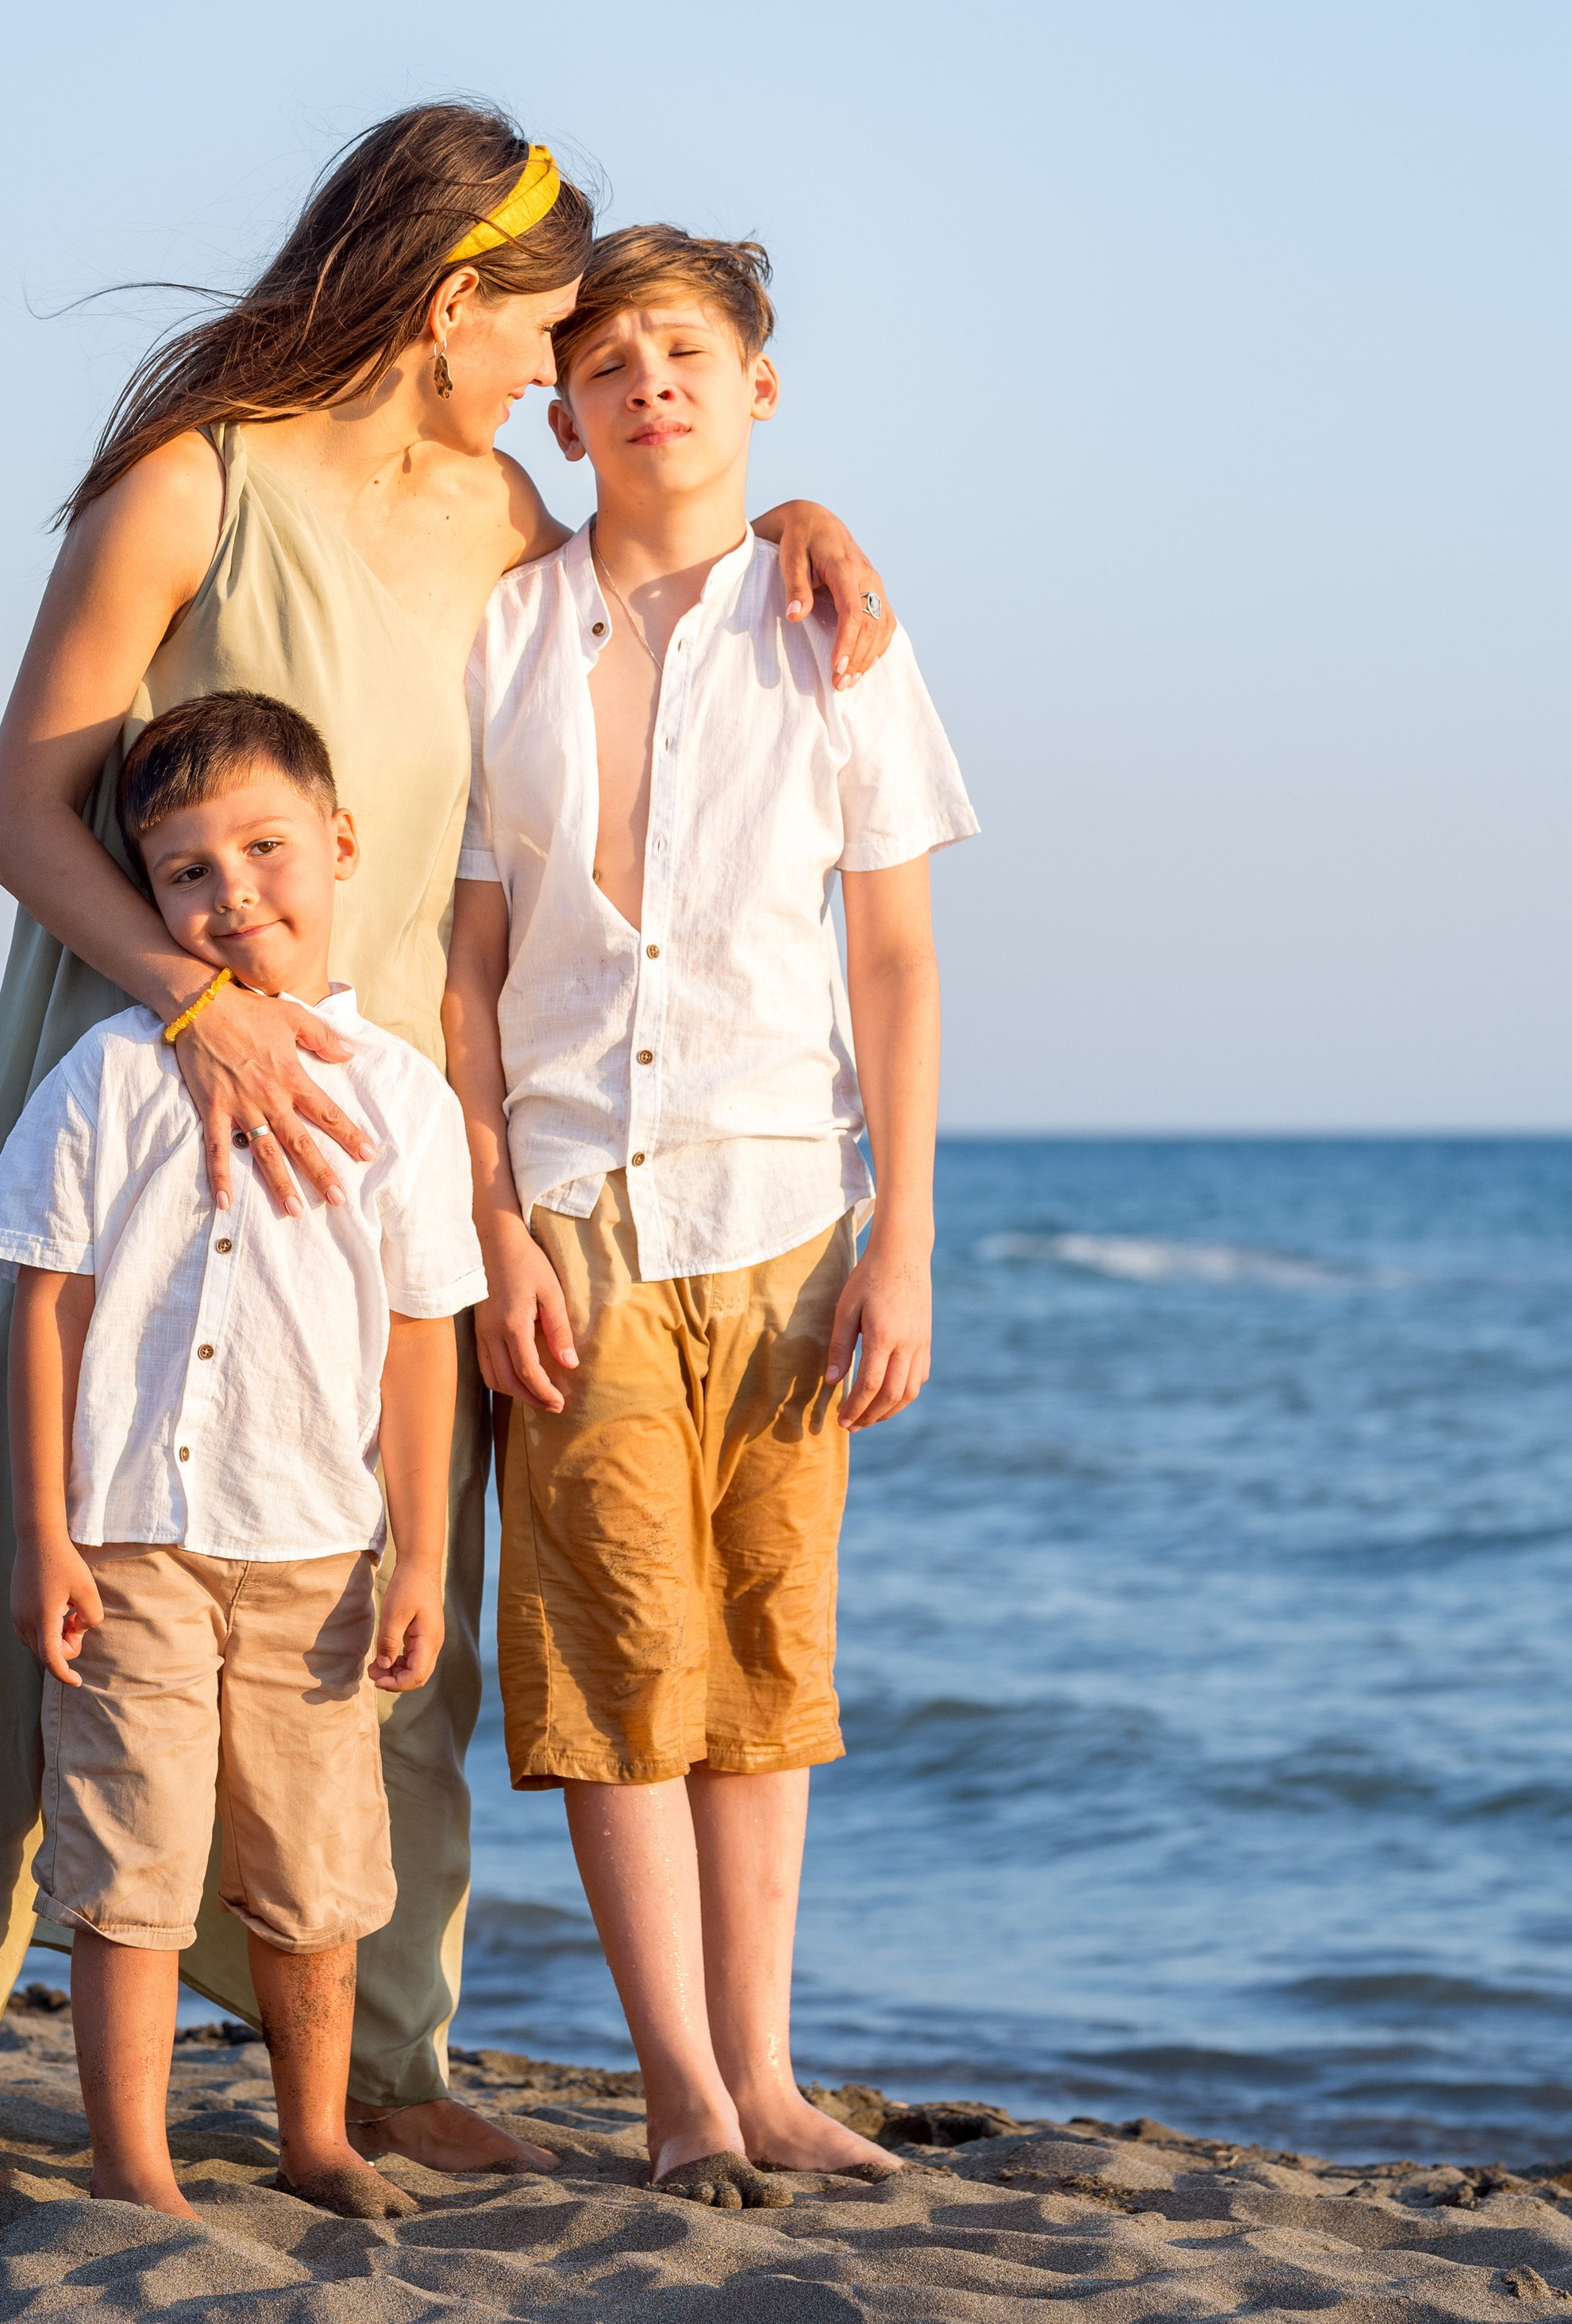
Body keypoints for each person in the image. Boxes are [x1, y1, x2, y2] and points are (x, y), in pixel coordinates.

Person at [0, 103, 895, 2225]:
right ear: (451, 303)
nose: (563, 367)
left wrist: (802, 515)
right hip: (148, 1075)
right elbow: (19, 812)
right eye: (544, 327)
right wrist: (198, 1004)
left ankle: (380, 2059)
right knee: (42, 1556)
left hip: (372, 1131)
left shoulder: (510, 515)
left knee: (371, 1576)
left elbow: (660, 580)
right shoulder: (197, 482)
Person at [444, 224, 977, 2205]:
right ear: (567, 412)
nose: (645, 379)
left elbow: (897, 965)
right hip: (576, 1200)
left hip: (778, 1206)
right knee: (611, 1670)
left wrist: (900, 1241)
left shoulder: (835, 625)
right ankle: (674, 2090)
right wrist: (491, 1223)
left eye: (685, 349)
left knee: (765, 1665)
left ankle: (766, 2077)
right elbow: (467, 969)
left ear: (757, 388)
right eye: (605, 360)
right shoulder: (505, 628)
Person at [0, 689, 475, 2222]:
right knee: (128, 1863)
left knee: (316, 1870)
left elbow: (419, 1338)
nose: (232, 892)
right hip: (130, 1538)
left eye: (264, 850)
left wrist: (427, 1553)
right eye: (186, 871)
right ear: (148, 898)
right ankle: (133, 2162)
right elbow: (42, 1312)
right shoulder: (110, 1076)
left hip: (317, 1545)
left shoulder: (404, 1098)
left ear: (338, 847)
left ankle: (319, 2139)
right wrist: (44, 1535)